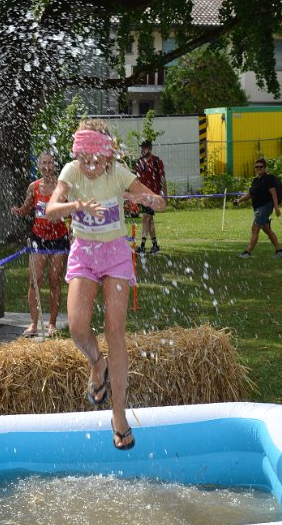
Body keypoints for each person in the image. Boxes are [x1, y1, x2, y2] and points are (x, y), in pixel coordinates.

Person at [46, 118, 166, 450]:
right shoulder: (70, 172)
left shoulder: (118, 174)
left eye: (95, 160)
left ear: (108, 156)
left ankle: (119, 415)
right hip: (84, 253)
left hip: (115, 255)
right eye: (84, 159)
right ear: (77, 154)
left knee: (115, 332)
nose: (89, 166)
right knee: (77, 328)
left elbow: (156, 200)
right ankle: (98, 364)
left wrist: (150, 200)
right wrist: (76, 205)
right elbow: (52, 209)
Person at [11, 152, 69, 337]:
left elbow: (71, 210)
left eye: (50, 163)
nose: (47, 167)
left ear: (55, 165)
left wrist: (62, 215)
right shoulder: (34, 187)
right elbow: (26, 208)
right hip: (39, 238)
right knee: (34, 281)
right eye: (43, 163)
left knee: (54, 281)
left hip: (59, 238)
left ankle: (52, 324)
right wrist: (18, 211)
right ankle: (34, 323)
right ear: (39, 166)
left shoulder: (62, 187)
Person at [235, 158, 282, 259]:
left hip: (265, 207)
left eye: (261, 166)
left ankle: (247, 252)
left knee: (255, 229)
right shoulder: (255, 181)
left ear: (265, 168)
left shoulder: (269, 179)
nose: (258, 168)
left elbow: (273, 193)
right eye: (256, 167)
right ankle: (279, 250)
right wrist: (239, 200)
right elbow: (250, 194)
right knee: (267, 229)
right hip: (258, 208)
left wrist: (276, 208)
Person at [135, 140, 167, 254]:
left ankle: (142, 246)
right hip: (143, 196)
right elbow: (137, 180)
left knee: (145, 218)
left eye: (145, 147)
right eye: (142, 147)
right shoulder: (139, 162)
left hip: (153, 195)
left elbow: (163, 179)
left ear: (150, 148)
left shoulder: (157, 161)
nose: (143, 150)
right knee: (150, 220)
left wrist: (165, 196)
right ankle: (155, 245)